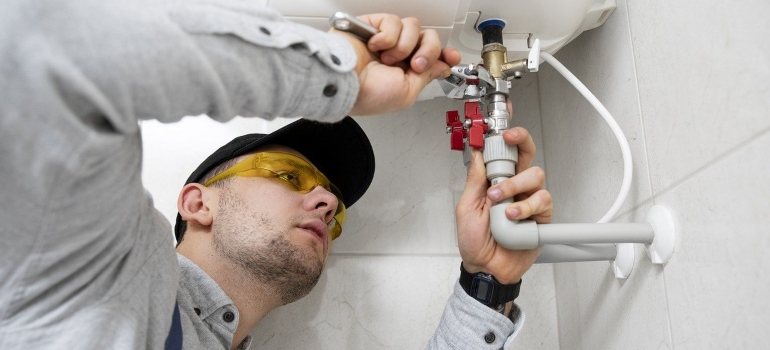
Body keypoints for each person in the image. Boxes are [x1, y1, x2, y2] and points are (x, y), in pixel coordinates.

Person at [0, 0, 551, 349]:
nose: (328, 204)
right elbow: (42, 43)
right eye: (288, 175)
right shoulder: (91, 279)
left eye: (334, 207)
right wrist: (338, 75)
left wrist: (489, 283)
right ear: (197, 204)